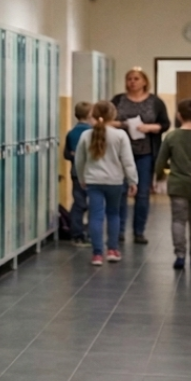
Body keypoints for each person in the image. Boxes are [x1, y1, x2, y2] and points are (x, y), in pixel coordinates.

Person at [75, 100, 138, 266]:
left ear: (93, 115)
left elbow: (79, 161)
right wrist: (132, 180)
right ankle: (112, 250)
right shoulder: (120, 135)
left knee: (95, 215)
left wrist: (82, 178)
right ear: (113, 115)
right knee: (113, 214)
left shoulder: (86, 135)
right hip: (114, 181)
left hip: (93, 181)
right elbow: (127, 161)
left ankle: (97, 254)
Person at [111, 68, 170, 243]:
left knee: (142, 193)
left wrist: (149, 127)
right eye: (129, 78)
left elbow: (165, 124)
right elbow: (107, 120)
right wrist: (123, 124)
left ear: (144, 81)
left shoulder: (155, 102)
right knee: (120, 192)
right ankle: (119, 230)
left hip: (145, 152)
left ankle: (139, 231)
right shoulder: (118, 100)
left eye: (136, 78)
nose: (132, 82)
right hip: (121, 152)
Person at [155, 98, 191, 269]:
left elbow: (160, 162)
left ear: (178, 116)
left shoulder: (172, 136)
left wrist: (160, 176)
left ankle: (180, 255)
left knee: (178, 220)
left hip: (177, 185)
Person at [64, 101, 93, 247]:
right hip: (92, 173)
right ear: (90, 114)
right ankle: (89, 234)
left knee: (78, 203)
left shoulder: (71, 133)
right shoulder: (92, 133)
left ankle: (76, 234)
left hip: (76, 173)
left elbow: (66, 154)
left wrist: (74, 155)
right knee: (92, 204)